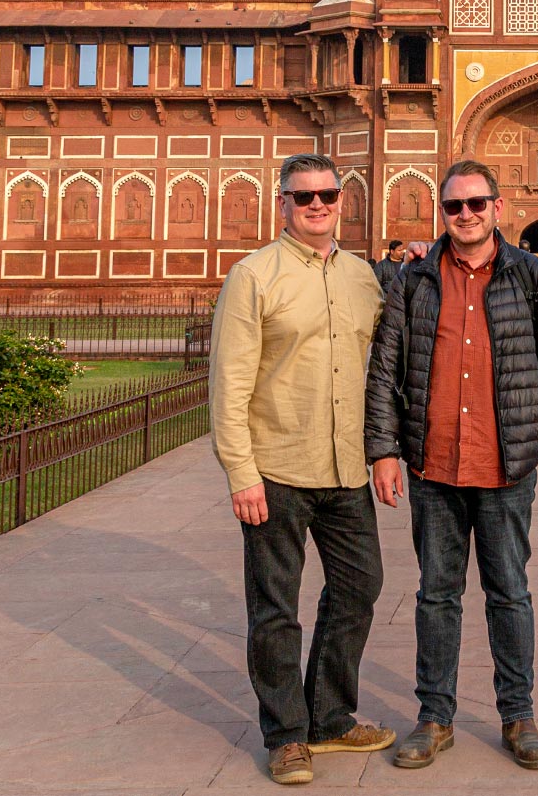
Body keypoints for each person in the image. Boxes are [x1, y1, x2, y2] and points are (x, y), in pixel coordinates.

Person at [365, 159, 538, 772]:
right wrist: (383, 448)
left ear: (498, 207)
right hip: (434, 465)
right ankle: (435, 717)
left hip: (505, 464)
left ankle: (519, 716)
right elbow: (385, 368)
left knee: (509, 593)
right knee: (437, 597)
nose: (466, 215)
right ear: (442, 213)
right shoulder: (414, 280)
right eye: (454, 206)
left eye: (476, 204)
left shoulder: (533, 276)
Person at [208, 152, 394, 785]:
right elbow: (229, 382)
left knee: (360, 588)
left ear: (343, 200)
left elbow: (382, 376)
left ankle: (330, 716)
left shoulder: (363, 278)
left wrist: (383, 451)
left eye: (327, 195)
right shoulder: (253, 276)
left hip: (344, 470)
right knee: (275, 609)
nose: (317, 205)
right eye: (303, 195)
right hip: (278, 467)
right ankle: (287, 733)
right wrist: (241, 472)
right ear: (281, 202)